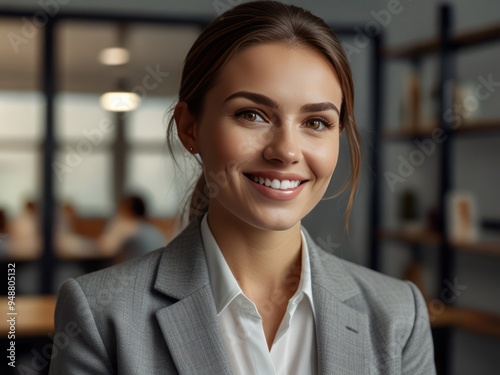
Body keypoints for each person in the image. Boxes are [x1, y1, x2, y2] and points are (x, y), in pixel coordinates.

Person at [49, 2, 436, 374]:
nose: (285, 151)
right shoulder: (101, 314)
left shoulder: (398, 315)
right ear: (190, 128)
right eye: (251, 115)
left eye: (316, 122)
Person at [97, 195, 167, 262]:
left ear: (128, 210)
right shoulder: (154, 231)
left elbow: (106, 248)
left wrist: (115, 222)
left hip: (132, 270)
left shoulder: (128, 226)